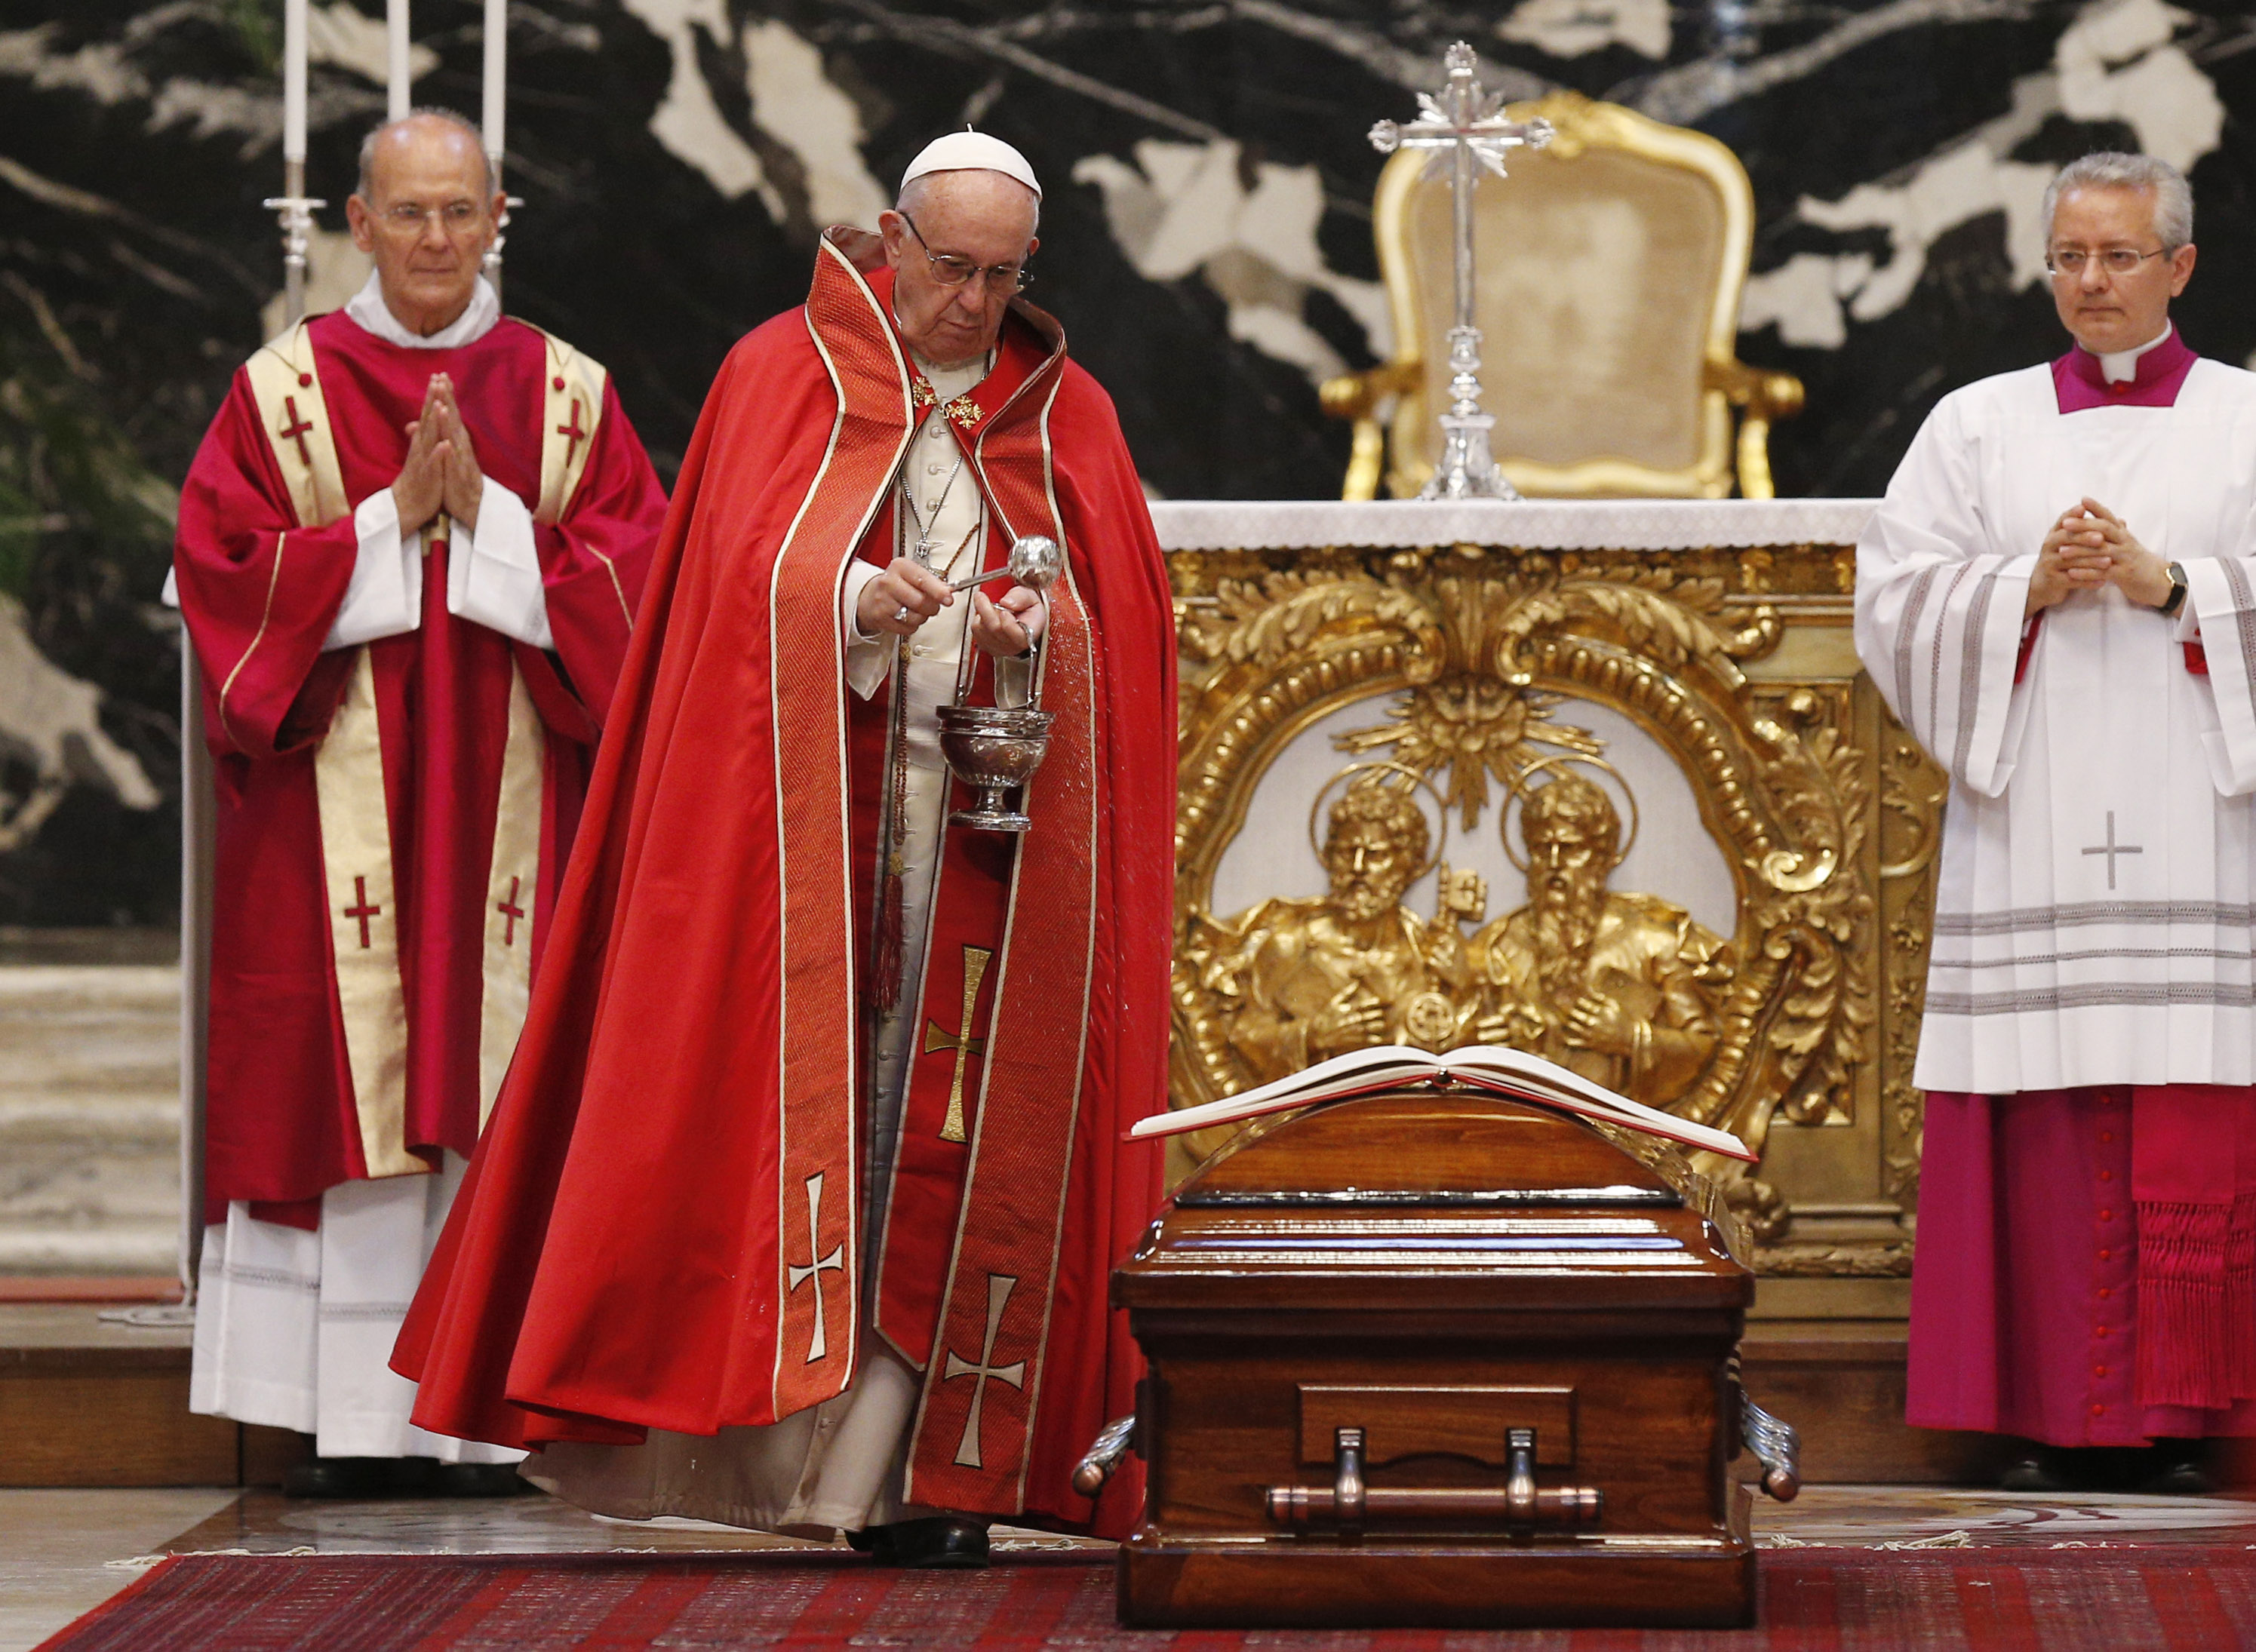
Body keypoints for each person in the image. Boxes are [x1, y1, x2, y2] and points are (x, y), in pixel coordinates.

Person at [392, 133, 1176, 1568]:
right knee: (812, 1131)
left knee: (933, 1153)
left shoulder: (1070, 415)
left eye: (1005, 278)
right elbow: (721, 602)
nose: (974, 306)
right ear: (892, 237)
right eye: (953, 270)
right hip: (804, 858)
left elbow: (1115, 627)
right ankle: (774, 1463)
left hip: (984, 861)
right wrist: (858, 608)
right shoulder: (779, 377)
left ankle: (918, 1481)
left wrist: (1030, 637)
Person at [171, 109, 665, 1495]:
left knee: (502, 1073)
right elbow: (220, 572)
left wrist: (494, 525)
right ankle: (344, 1420)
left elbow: (643, 590)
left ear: (499, 218)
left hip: (517, 826)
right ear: (358, 221)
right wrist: (388, 520)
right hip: (332, 826)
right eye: (410, 214)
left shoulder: (568, 394)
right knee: (347, 1073)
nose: (437, 239)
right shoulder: (282, 388)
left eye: (462, 213)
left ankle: (488, 1410)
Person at [1856, 151, 2256, 1493]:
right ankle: (2033, 1410)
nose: (2090, 282)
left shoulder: (2247, 421)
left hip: (2201, 824)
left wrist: (2173, 588)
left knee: (2187, 1105)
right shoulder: (1977, 426)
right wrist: (2014, 591)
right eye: (2069, 258)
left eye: (2119, 257)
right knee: (2039, 1120)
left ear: (2180, 266)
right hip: (2030, 821)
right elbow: (1896, 602)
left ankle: (2187, 1420)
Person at [1187, 775, 1475, 1082]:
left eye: (1375, 855)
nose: (1358, 867)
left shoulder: (1424, 953)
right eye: (1346, 852)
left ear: (1408, 864)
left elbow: (1460, 1057)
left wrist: (1462, 988)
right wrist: (1313, 1035)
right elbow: (1244, 1036)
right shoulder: (1290, 945)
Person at [1470, 772, 1728, 1109]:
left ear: (1603, 856)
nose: (1554, 863)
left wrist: (1630, 1037)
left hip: (1618, 1139)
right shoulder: (1498, 945)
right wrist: (1480, 1046)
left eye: (1572, 848)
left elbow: (1705, 1048)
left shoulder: (1653, 943)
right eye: (1541, 848)